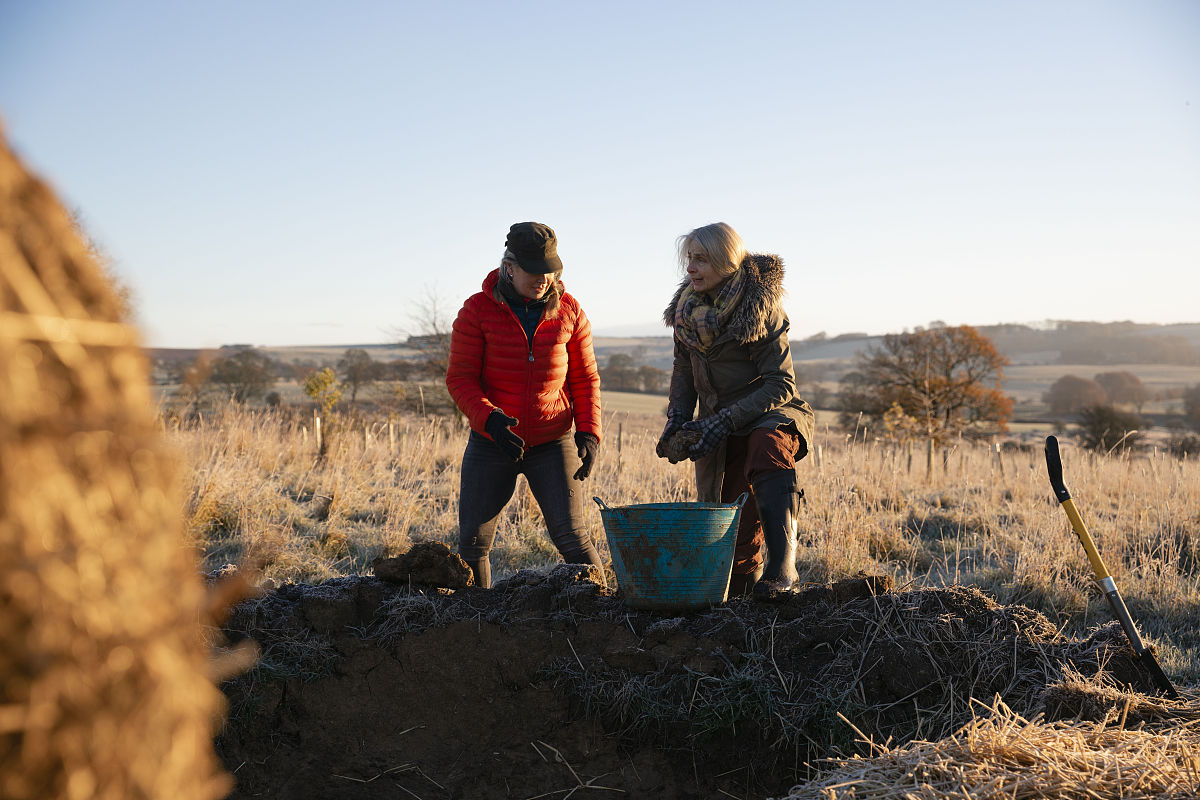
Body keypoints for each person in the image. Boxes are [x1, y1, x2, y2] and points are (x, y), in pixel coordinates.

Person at [656, 222, 815, 600]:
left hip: (770, 410)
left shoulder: (760, 307)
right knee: (731, 515)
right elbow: (683, 372)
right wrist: (678, 419)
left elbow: (781, 383)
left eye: (701, 259)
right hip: (716, 420)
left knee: (766, 447)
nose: (690, 268)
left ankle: (782, 569)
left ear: (726, 261)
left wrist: (724, 421)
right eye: (688, 259)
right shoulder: (686, 312)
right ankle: (743, 601)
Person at [446, 221, 604, 588]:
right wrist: (490, 419)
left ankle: (606, 613)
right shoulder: (476, 311)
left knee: (573, 538)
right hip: (493, 442)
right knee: (472, 544)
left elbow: (585, 379)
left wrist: (589, 432)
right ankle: (472, 622)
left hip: (553, 442)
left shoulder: (570, 311)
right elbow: (460, 379)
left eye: (551, 269)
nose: (544, 278)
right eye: (534, 270)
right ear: (510, 267)